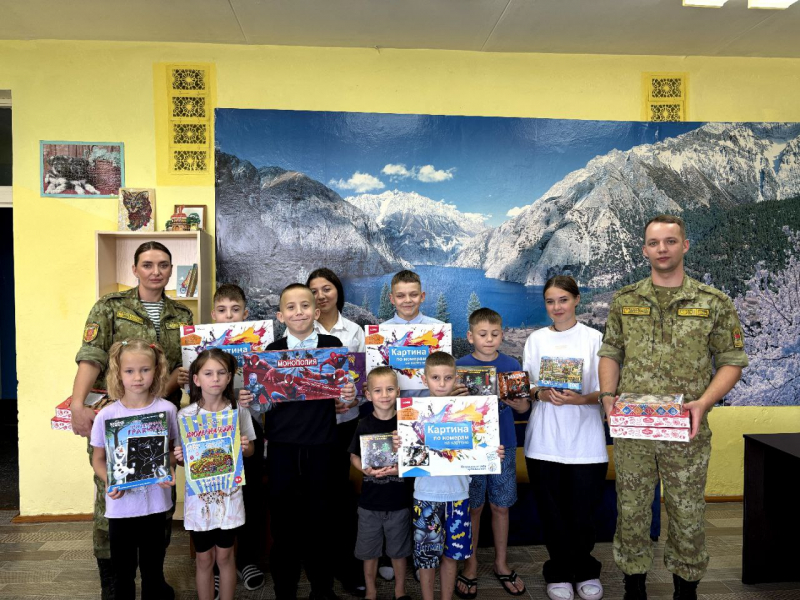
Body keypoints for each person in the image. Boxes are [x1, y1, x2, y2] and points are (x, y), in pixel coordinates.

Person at [597, 215, 749, 600]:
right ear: (644, 249)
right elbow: (611, 351)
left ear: (684, 245)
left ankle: (687, 590)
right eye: (653, 242)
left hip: (687, 427)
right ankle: (635, 588)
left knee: (687, 512)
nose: (661, 248)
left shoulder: (713, 302)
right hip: (634, 429)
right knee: (630, 512)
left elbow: (731, 360)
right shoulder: (626, 299)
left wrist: (703, 403)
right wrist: (607, 396)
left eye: (669, 241)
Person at [71, 241, 193, 599]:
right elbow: (91, 356)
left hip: (159, 416)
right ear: (135, 269)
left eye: (163, 265)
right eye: (148, 264)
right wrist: (79, 403)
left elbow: (180, 370)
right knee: (110, 498)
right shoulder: (111, 307)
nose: (156, 271)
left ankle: (154, 576)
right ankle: (113, 579)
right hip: (117, 420)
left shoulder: (183, 316)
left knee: (157, 494)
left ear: (172, 270)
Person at [261, 283, 357, 600]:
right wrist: (252, 400)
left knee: (322, 522)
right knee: (284, 526)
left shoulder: (332, 345)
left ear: (316, 312)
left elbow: (347, 393)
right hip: (281, 451)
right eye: (291, 307)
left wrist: (349, 394)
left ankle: (322, 589)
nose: (298, 312)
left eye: (305, 306)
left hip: (322, 448)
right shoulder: (272, 352)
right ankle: (284, 590)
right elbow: (263, 406)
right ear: (280, 315)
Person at [522, 276, 608, 600]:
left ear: (577, 300)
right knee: (552, 513)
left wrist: (579, 399)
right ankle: (557, 572)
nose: (556, 307)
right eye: (550, 301)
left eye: (563, 300)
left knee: (583, 513)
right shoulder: (535, 340)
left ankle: (585, 570)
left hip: (586, 443)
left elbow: (606, 391)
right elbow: (526, 386)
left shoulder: (595, 339)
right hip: (543, 441)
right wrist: (540, 392)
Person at [401, 352, 505, 600]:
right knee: (427, 558)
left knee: (452, 556)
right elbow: (410, 452)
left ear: (456, 379)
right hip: (425, 496)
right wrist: (399, 443)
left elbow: (481, 446)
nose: (441, 383)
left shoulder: (468, 412)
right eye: (435, 377)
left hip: (458, 496)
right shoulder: (415, 413)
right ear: (424, 380)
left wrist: (492, 452)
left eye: (447, 378)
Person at [89, 339, 178, 600]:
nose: (137, 377)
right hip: (120, 509)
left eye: (145, 370)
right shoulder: (107, 415)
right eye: (129, 371)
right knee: (123, 573)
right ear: (118, 373)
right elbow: (98, 459)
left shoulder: (167, 410)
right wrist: (110, 481)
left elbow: (174, 453)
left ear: (157, 370)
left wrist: (168, 468)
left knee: (153, 571)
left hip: (155, 506)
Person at [455, 308, 526, 599]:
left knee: (501, 505)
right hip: (469, 445)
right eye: (482, 334)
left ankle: (500, 562)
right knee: (473, 507)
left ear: (502, 334)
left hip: (504, 444)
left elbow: (524, 408)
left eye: (495, 334)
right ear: (470, 336)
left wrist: (508, 398)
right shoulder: (459, 366)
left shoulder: (511, 363)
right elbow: (449, 410)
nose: (489, 339)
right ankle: (470, 565)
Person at [175, 349, 256, 600]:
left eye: (221, 373)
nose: (215, 378)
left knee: (225, 555)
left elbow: (251, 449)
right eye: (208, 373)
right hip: (199, 501)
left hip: (230, 497)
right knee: (203, 558)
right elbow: (182, 461)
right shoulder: (185, 416)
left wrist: (246, 447)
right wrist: (179, 457)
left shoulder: (237, 411)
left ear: (230, 377)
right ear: (196, 379)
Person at [307, 268, 367, 596]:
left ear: (337, 291)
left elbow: (359, 378)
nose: (320, 295)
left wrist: (350, 398)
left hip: (346, 426)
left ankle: (348, 566)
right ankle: (320, 572)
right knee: (318, 498)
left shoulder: (354, 331)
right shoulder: (302, 328)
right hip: (314, 429)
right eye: (313, 290)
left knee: (343, 499)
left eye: (326, 288)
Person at [210, 284, 266, 593]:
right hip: (210, 437)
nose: (229, 316)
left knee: (250, 496)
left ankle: (247, 560)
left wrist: (254, 397)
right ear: (213, 315)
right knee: (216, 498)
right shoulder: (201, 348)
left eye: (235, 310)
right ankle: (219, 565)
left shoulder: (256, 346)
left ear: (245, 314)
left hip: (248, 431)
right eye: (222, 310)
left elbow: (267, 396)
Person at [348, 367, 412, 600]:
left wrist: (401, 468)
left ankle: (400, 591)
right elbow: (354, 455)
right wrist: (362, 468)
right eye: (378, 390)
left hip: (399, 501)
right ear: (368, 394)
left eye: (389, 389)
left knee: (399, 552)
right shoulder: (363, 424)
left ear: (397, 391)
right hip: (369, 503)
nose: (384, 395)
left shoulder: (407, 423)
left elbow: (418, 457)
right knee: (368, 552)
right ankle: (371, 592)